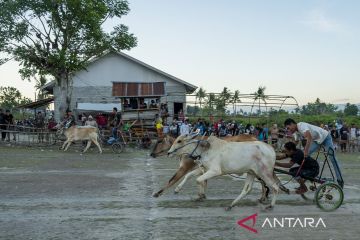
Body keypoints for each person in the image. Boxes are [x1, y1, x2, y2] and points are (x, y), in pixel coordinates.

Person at [284, 118, 344, 187]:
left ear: (292, 124)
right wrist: (288, 151)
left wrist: (306, 151)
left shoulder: (301, 125)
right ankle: (312, 174)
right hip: (317, 140)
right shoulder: (296, 132)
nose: (289, 130)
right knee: (303, 156)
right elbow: (295, 143)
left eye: (288, 128)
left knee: (332, 158)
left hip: (326, 137)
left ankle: (340, 180)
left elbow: (309, 137)